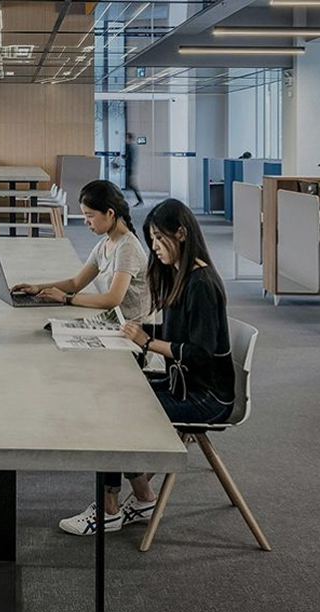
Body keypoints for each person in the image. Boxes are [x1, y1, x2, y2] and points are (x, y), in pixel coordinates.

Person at [59, 198, 236, 536]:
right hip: (184, 383)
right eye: (151, 239)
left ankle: (110, 509)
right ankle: (142, 496)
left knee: (113, 411)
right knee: (113, 395)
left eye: (159, 239)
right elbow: (176, 336)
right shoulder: (181, 277)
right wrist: (132, 332)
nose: (154, 248)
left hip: (206, 397)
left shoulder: (201, 284)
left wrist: (146, 341)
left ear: (181, 234)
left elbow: (199, 354)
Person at [9, 180, 151, 320]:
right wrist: (37, 288)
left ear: (110, 213)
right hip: (115, 320)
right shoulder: (105, 244)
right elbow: (75, 283)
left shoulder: (127, 248)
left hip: (132, 330)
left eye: (90, 216)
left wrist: (67, 298)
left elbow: (113, 299)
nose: (85, 221)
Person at [124, 132, 143, 206]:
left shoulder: (130, 147)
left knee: (131, 185)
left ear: (129, 138)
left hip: (129, 168)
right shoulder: (132, 147)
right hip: (130, 168)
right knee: (130, 185)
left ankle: (140, 200)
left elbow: (130, 159)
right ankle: (139, 200)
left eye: (126, 138)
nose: (125, 139)